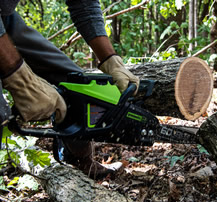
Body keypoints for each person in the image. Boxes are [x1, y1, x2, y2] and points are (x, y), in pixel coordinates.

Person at [0, 0, 139, 178]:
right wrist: (21, 81)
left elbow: (84, 4)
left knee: (76, 84)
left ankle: (80, 161)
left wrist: (111, 60)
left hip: (5, 17)